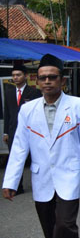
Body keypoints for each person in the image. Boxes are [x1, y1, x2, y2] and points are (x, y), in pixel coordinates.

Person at [2, 54, 80, 238]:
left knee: (64, 226)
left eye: (52, 77)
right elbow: (20, 147)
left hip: (70, 176)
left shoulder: (79, 106)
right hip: (41, 178)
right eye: (42, 78)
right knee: (48, 229)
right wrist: (10, 181)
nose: (47, 82)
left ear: (62, 80)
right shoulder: (27, 110)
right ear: (36, 81)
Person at [2, 64, 42, 194]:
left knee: (35, 157)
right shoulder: (8, 93)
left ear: (25, 76)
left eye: (18, 75)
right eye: (13, 75)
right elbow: (7, 113)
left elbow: (38, 113)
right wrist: (6, 132)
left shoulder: (34, 92)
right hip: (14, 130)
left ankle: (42, 183)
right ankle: (17, 186)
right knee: (15, 157)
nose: (15, 78)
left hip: (31, 130)